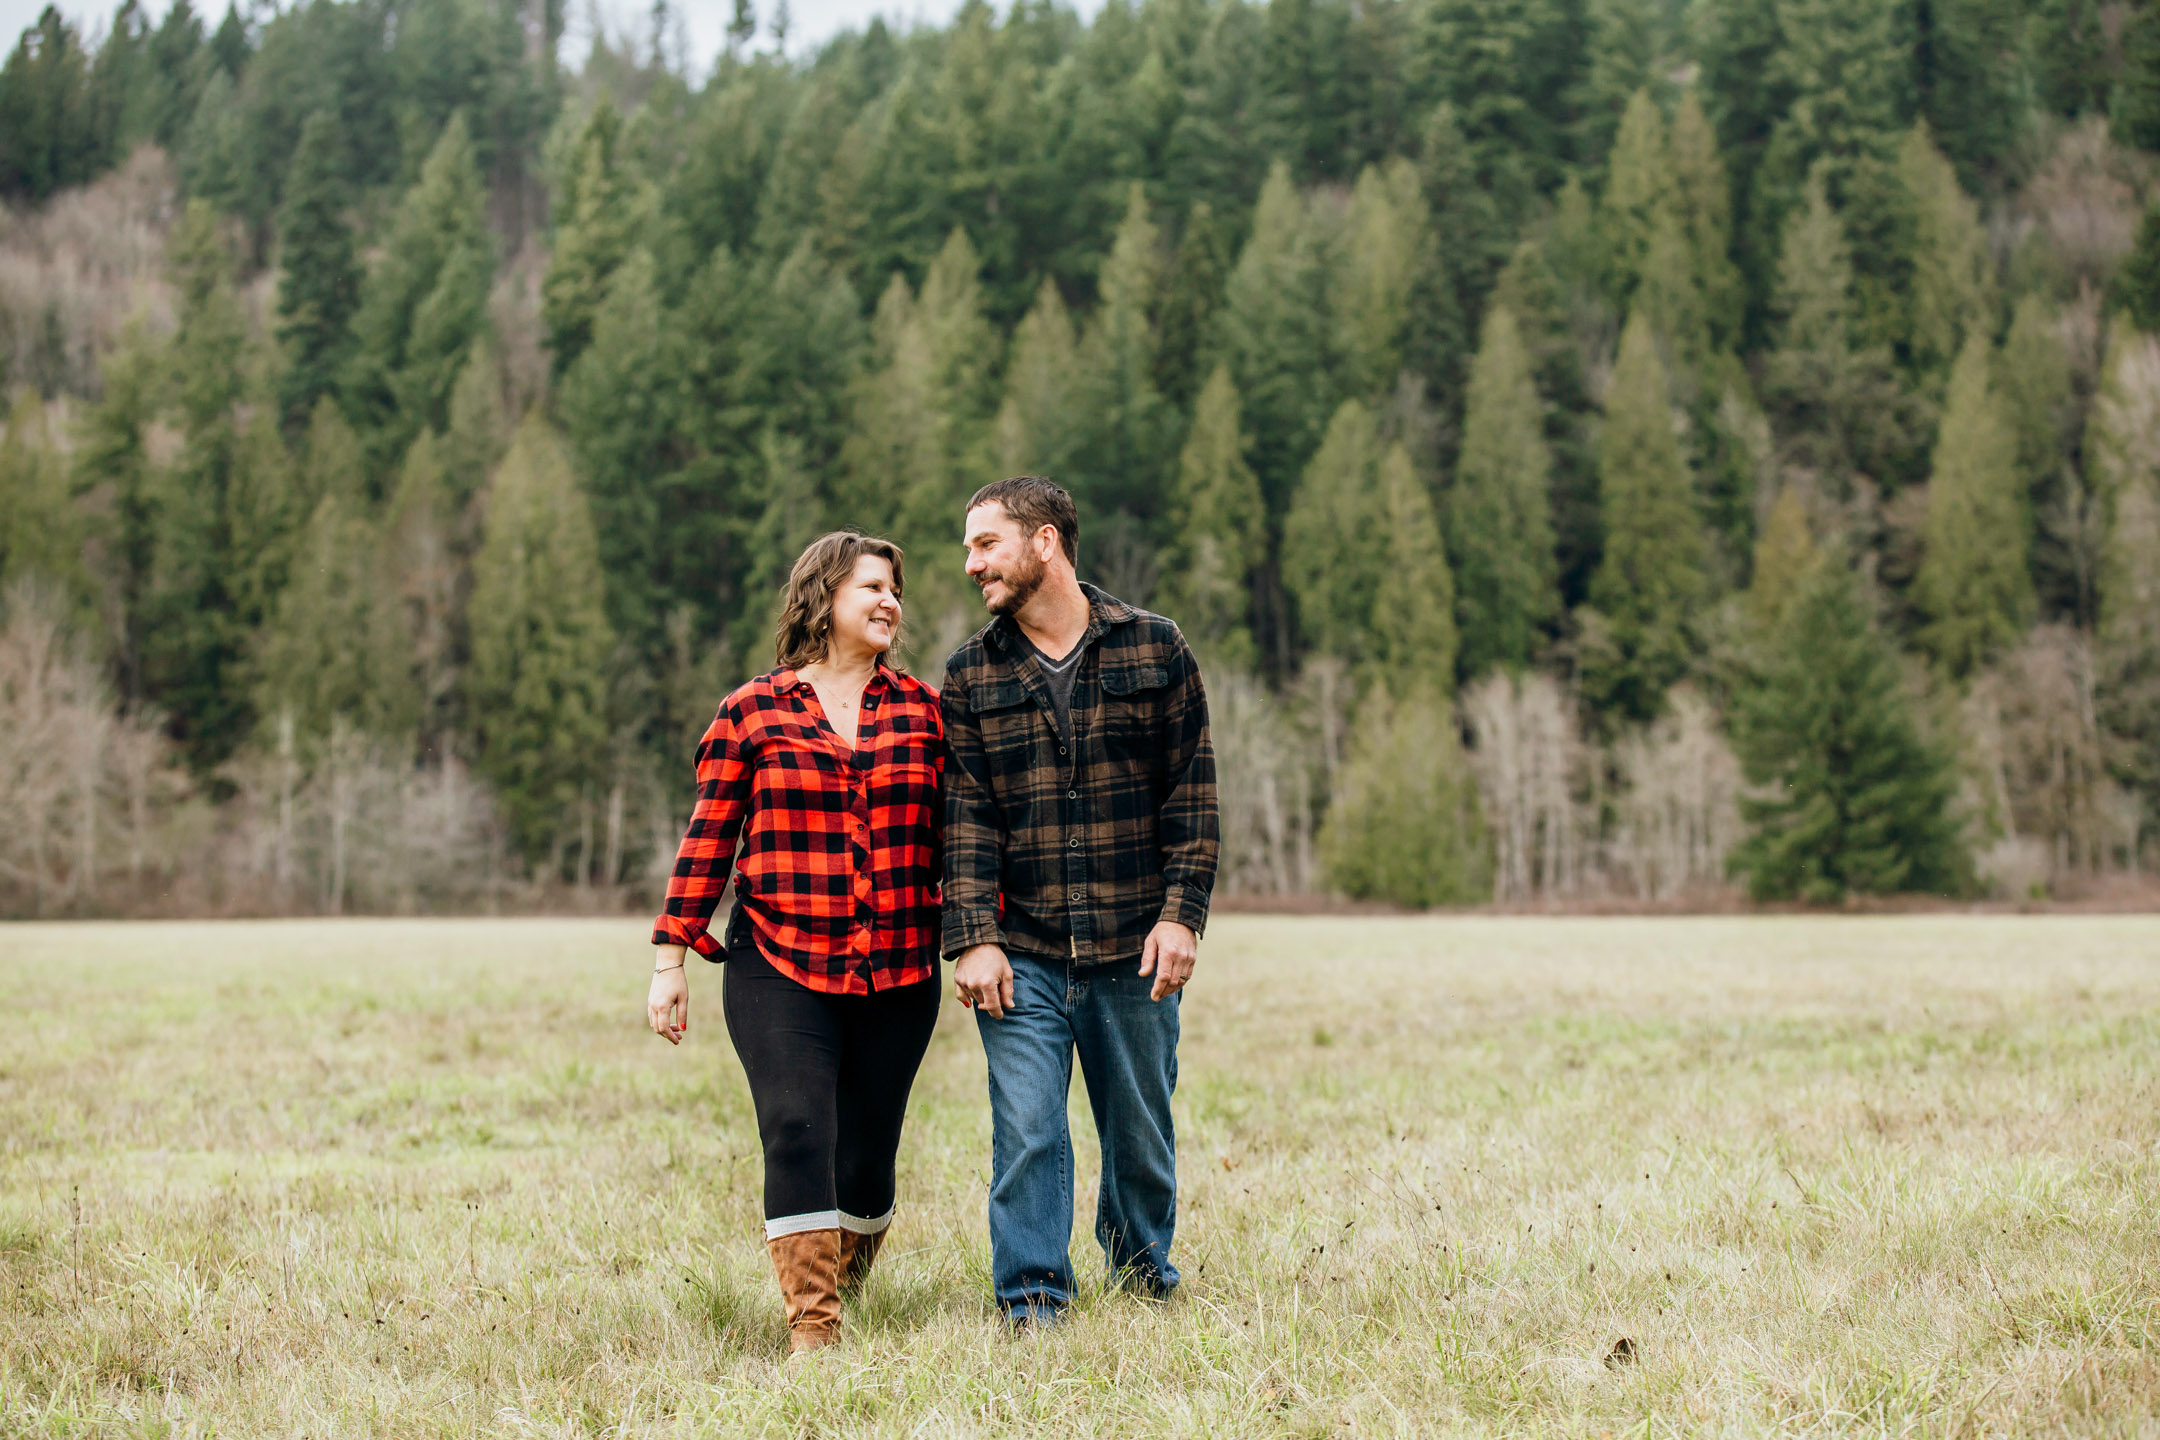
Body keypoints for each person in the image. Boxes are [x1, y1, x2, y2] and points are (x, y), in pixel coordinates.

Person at [646, 531, 945, 1357]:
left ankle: (843, 1277)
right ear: (824, 599)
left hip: (900, 965)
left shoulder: (926, 714)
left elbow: (959, 839)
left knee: (870, 1153)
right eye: (872, 588)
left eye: (896, 590)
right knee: (796, 1126)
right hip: (777, 961)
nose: (891, 602)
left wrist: (982, 935)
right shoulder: (753, 710)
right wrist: (671, 959)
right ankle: (814, 1329)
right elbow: (708, 840)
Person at [941, 475, 1220, 1328]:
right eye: (968, 547)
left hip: (1133, 947)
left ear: (1045, 542)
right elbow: (965, 821)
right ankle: (1033, 1299)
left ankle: (1142, 1274)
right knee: (1026, 1132)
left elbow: (1193, 800)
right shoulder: (970, 673)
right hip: (1021, 952)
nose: (970, 564)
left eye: (986, 543)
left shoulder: (1155, 648)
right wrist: (972, 939)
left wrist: (1182, 917)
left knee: (1139, 1135)